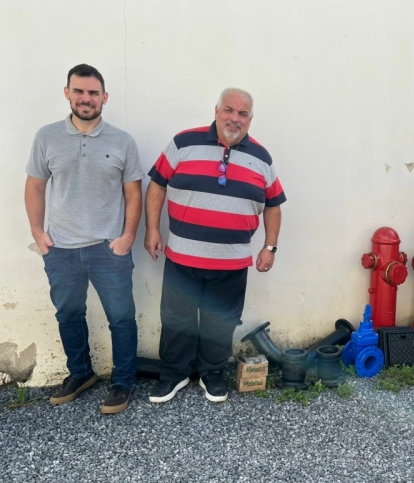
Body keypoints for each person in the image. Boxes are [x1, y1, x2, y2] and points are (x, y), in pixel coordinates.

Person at [145, 88, 286, 404]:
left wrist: (270, 246)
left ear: (250, 119)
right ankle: (174, 375)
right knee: (176, 320)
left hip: (232, 262)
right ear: (216, 111)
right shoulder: (183, 142)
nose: (235, 118)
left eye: (243, 113)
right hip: (182, 257)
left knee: (220, 322)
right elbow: (157, 184)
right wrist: (152, 229)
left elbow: (274, 204)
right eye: (229, 110)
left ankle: (212, 375)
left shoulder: (262, 158)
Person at [24, 64, 143, 414]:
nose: (86, 98)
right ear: (67, 93)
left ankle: (123, 382)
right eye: (79, 91)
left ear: (104, 97)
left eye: (93, 93)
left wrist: (127, 237)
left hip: (109, 249)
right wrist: (38, 233)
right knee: (68, 314)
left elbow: (133, 193)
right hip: (61, 249)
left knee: (121, 318)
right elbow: (35, 186)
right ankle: (80, 373)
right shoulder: (46, 137)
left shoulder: (123, 141)